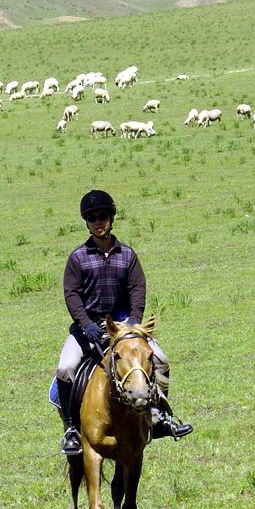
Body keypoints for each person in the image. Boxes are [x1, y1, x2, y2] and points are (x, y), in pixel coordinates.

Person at [55, 189, 193, 456]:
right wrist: (85, 324)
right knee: (65, 367)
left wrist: (133, 322)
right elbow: (71, 294)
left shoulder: (128, 255)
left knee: (161, 360)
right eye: (92, 218)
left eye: (103, 216)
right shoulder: (77, 258)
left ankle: (158, 415)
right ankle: (71, 428)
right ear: (86, 222)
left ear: (112, 218)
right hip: (90, 328)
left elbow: (137, 289)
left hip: (124, 327)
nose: (98, 222)